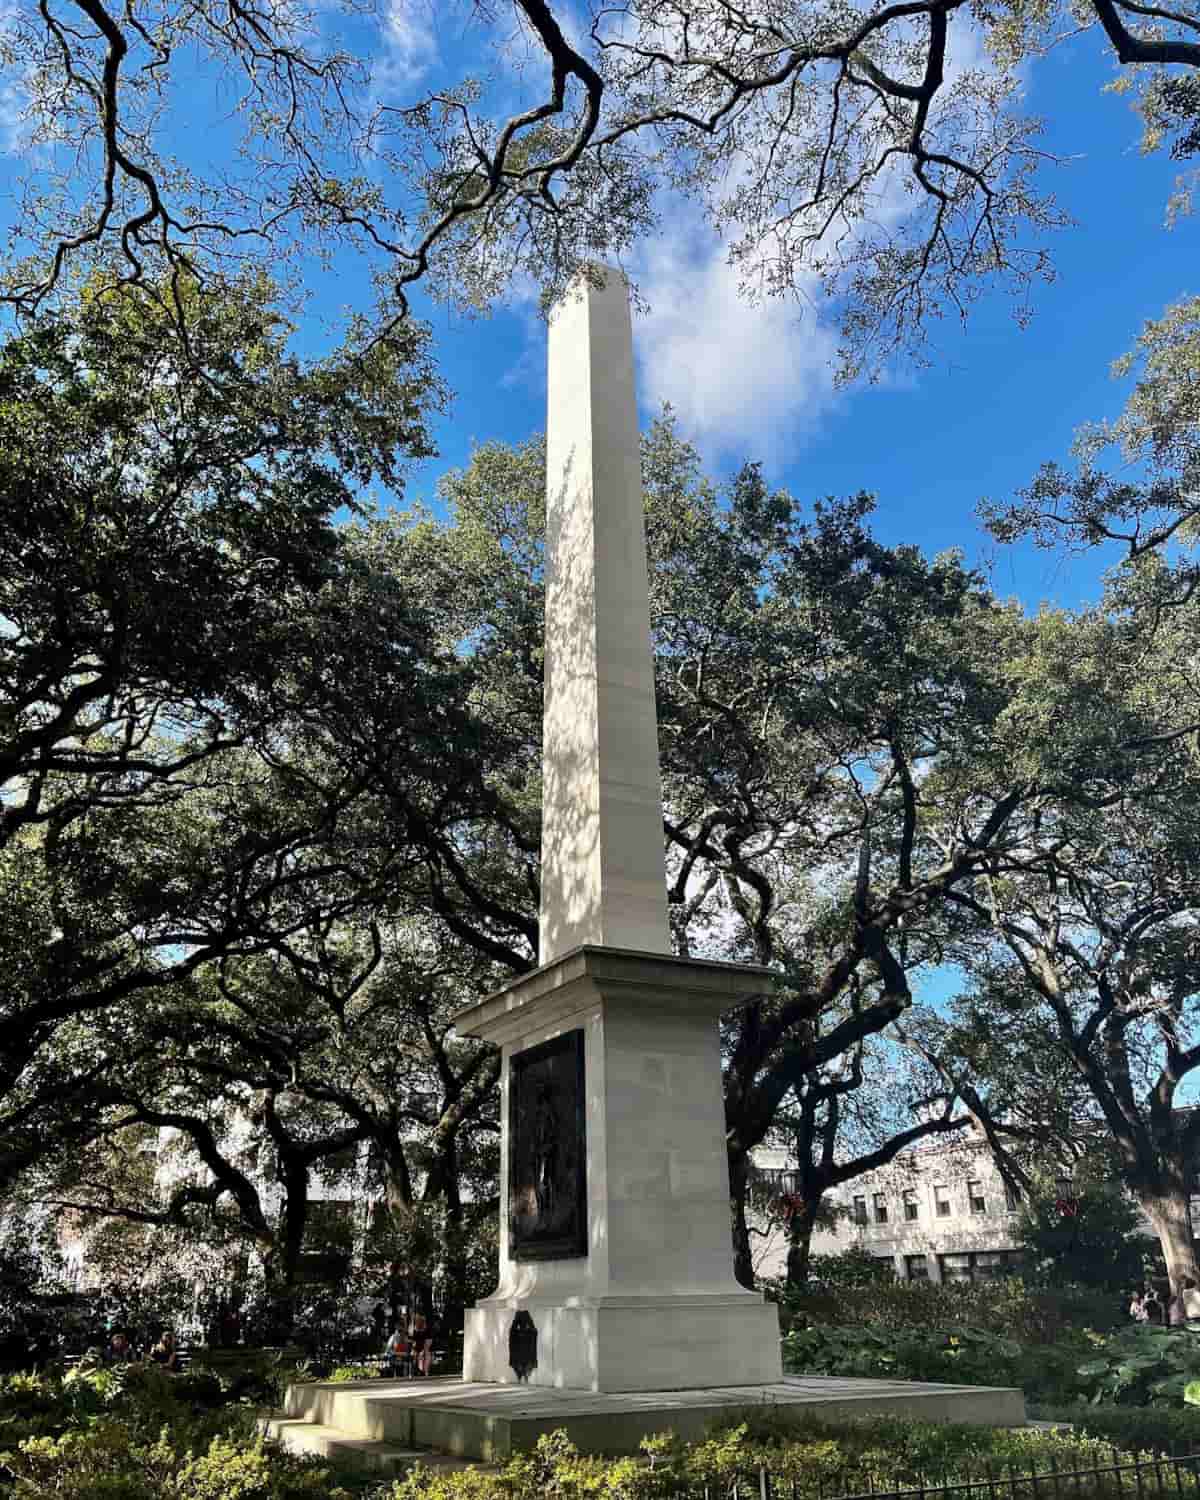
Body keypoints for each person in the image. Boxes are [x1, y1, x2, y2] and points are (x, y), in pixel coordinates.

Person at [410, 1312, 436, 1377]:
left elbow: (428, 1343)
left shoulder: (427, 1330)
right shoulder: (413, 1329)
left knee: (427, 1354)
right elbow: (412, 1340)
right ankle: (415, 1372)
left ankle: (426, 1372)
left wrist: (423, 1351)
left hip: (425, 1347)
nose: (418, 1321)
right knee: (413, 1354)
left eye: (420, 1319)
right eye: (417, 1319)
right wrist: (414, 1349)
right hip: (416, 1347)